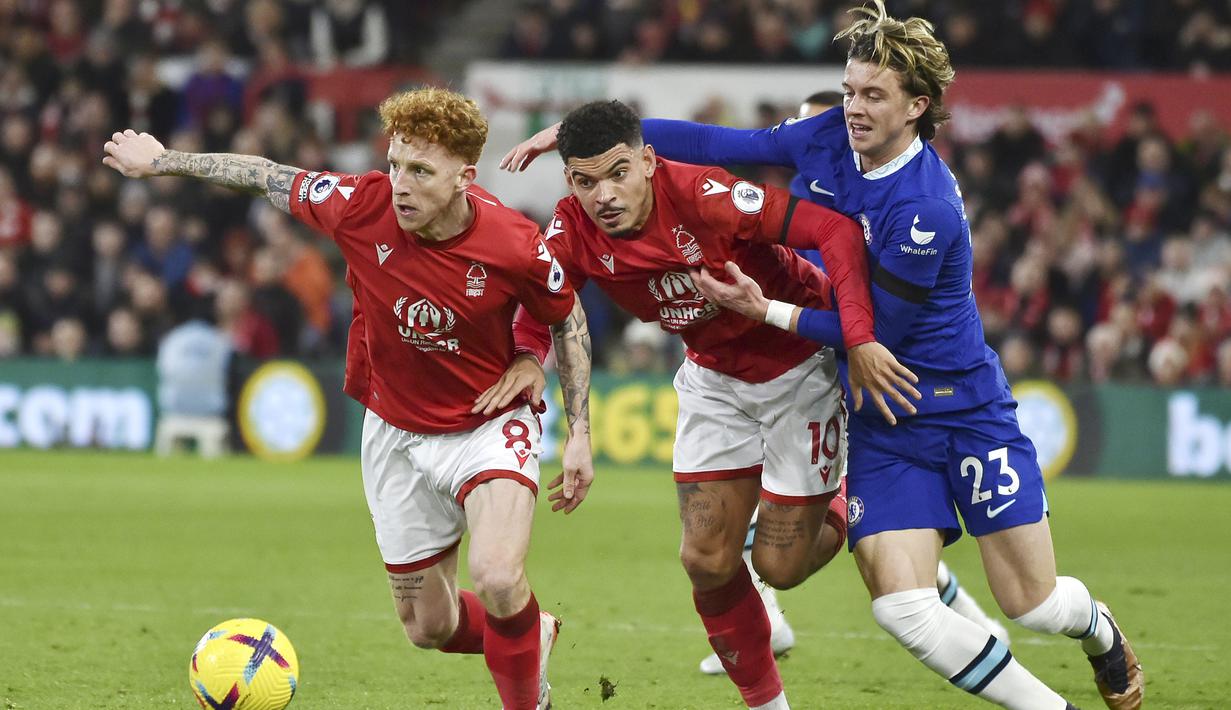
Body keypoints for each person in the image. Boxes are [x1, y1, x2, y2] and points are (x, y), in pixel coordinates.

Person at [556, 3, 1142, 709]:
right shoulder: (828, 138)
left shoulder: (923, 208)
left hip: (958, 404)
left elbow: (875, 338)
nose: (853, 108)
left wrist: (761, 308)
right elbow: (716, 140)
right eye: (849, 89)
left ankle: (1098, 631)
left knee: (1032, 603)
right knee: (900, 608)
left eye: (873, 96)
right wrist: (569, 137)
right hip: (879, 418)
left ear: (916, 106)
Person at [102, 87, 595, 710]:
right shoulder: (361, 206)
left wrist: (573, 423)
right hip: (394, 428)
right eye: (394, 164)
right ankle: (529, 630)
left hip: (487, 423)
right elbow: (267, 175)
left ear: (465, 177)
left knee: (497, 575)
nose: (401, 184)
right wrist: (167, 159)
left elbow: (567, 316)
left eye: (420, 171)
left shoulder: (514, 242)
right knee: (429, 628)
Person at [507, 99, 920, 710]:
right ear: (569, 181)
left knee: (780, 567)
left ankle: (848, 494)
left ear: (648, 162)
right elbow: (541, 307)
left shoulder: (706, 195)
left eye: (619, 172)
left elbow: (832, 230)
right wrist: (526, 361)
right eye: (586, 181)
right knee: (704, 558)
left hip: (798, 367)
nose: (605, 195)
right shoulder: (572, 229)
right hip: (713, 378)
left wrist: (855, 336)